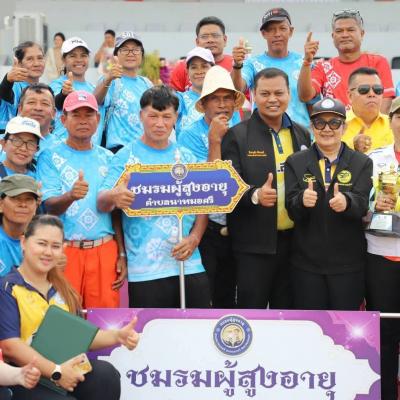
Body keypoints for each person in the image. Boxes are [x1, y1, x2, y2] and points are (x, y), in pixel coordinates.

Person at [0, 214, 139, 400]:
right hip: (25, 377)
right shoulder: (7, 288)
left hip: (65, 370)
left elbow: (79, 336)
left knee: (105, 375)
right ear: (24, 242)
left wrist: (117, 336)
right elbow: (10, 346)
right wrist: (56, 371)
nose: (48, 252)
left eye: (55, 246)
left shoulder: (63, 289)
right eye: (41, 244)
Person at [97, 85, 211, 308]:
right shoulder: (125, 156)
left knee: (196, 327)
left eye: (166, 117)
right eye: (153, 116)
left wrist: (195, 238)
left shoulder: (186, 157)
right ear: (141, 116)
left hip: (189, 264)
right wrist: (113, 196)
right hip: (145, 270)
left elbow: (205, 204)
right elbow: (101, 201)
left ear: (175, 118)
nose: (160, 124)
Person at [221, 68, 311, 309]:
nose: (273, 99)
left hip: (294, 245)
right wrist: (255, 195)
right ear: (253, 95)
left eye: (279, 93)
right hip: (253, 245)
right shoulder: (237, 136)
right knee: (252, 314)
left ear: (289, 94)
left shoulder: (301, 134)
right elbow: (227, 186)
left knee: (288, 315)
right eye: (265, 93)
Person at [37, 91, 124, 308]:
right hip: (64, 252)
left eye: (89, 114)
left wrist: (122, 253)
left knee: (104, 320)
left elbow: (115, 211)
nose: (83, 120)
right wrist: (70, 196)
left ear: (98, 119)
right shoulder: (50, 156)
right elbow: (49, 206)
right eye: (76, 115)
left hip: (104, 249)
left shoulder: (110, 158)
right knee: (64, 317)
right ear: (63, 119)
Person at [284, 97, 372, 311]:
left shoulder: (362, 162)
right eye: (320, 123)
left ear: (344, 127)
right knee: (309, 325)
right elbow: (291, 209)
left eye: (334, 123)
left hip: (348, 266)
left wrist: (347, 202)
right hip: (306, 266)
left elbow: (362, 204)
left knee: (345, 325)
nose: (327, 129)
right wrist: (301, 201)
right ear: (311, 127)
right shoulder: (295, 161)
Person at [178, 65, 245, 307]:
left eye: (227, 98)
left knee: (231, 297)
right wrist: (214, 140)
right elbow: (208, 186)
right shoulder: (188, 135)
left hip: (238, 225)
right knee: (206, 298)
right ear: (204, 103)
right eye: (215, 99)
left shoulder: (241, 130)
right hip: (205, 227)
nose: (222, 105)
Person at [365, 97, 400, 400]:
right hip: (381, 255)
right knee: (385, 334)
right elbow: (359, 205)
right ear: (390, 122)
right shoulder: (375, 159)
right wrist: (374, 204)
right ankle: (386, 394)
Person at [232, 7, 315, 128]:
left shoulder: (305, 63)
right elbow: (238, 88)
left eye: (282, 28)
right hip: (263, 133)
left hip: (300, 133)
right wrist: (237, 65)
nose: (277, 34)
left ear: (291, 31)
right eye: (271, 30)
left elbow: (312, 102)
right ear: (263, 33)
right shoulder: (253, 63)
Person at [298, 9, 394, 113]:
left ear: (362, 34)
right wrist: (307, 62)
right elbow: (305, 96)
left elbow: (386, 101)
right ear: (333, 36)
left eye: (350, 30)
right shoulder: (323, 67)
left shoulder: (378, 62)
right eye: (339, 31)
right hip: (336, 123)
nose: (345, 35)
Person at [94, 31, 152, 153]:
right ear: (116, 55)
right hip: (118, 150)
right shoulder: (110, 80)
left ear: (142, 55)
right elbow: (95, 101)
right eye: (125, 49)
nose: (130, 53)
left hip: (144, 150)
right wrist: (108, 78)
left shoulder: (147, 84)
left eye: (135, 50)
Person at [50, 37, 104, 146]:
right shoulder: (57, 84)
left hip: (91, 151)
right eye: (73, 56)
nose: (79, 60)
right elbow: (56, 103)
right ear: (64, 60)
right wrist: (63, 94)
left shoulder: (94, 89)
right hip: (63, 149)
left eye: (83, 55)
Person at [169, 16, 233, 92]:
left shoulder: (237, 66)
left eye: (215, 36)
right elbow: (173, 97)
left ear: (225, 40)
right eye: (204, 37)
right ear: (197, 42)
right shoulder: (182, 68)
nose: (210, 40)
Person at [342, 67, 393, 154]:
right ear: (350, 96)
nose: (372, 94)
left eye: (377, 90)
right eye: (364, 90)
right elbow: (324, 155)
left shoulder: (394, 125)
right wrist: (352, 146)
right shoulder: (335, 125)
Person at [0, 175, 40, 277]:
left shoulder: (41, 245)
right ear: (1, 204)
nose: (23, 204)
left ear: (36, 207)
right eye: (15, 198)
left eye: (29, 199)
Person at [0, 42, 45, 121]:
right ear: (19, 63)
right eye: (30, 59)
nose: (36, 63)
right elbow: (5, 93)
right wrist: (7, 80)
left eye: (40, 58)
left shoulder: (45, 89)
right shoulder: (15, 86)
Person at [175, 47, 215, 137]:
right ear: (187, 71)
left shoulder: (225, 100)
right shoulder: (180, 100)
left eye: (204, 66)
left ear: (213, 69)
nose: (199, 71)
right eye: (194, 67)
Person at [17, 83, 57, 156]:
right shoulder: (2, 143)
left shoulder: (62, 148)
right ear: (20, 109)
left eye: (45, 103)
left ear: (54, 113)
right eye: (31, 102)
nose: (38, 108)